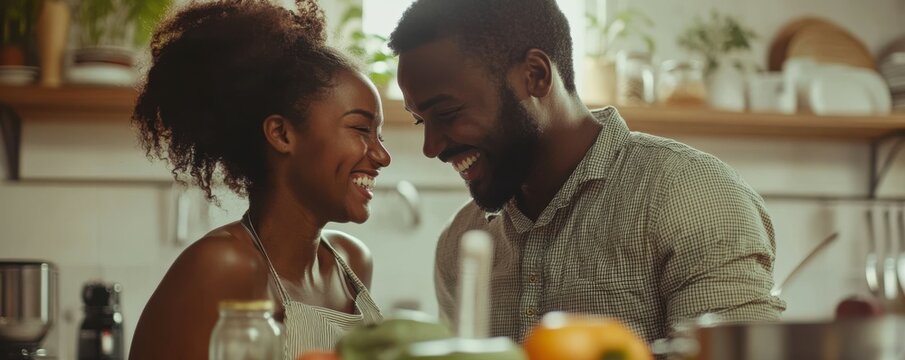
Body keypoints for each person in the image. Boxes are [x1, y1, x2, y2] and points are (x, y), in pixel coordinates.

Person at [389, 0, 785, 344]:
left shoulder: (689, 196)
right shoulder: (461, 242)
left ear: (536, 76)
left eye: (447, 113)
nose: (432, 148)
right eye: (422, 121)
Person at [128, 1, 391, 358]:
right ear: (282, 134)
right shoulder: (220, 267)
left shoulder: (351, 264)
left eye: (380, 135)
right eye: (361, 129)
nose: (381, 155)